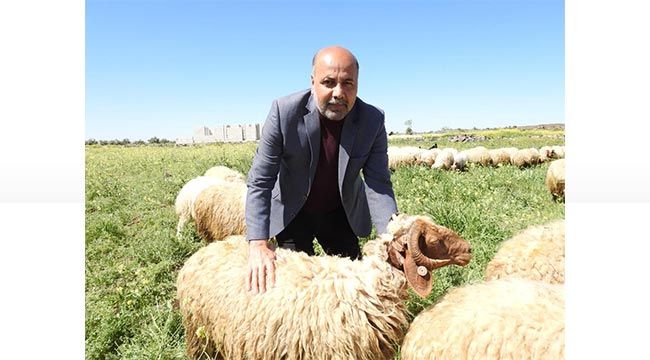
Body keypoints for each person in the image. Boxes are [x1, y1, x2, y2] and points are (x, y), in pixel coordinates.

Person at [245, 46, 398, 294]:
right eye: (328, 82)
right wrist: (257, 244)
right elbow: (261, 181)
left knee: (352, 289)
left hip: (340, 212)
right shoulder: (284, 112)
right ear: (313, 82)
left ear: (358, 84)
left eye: (348, 83)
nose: (338, 92)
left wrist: (392, 239)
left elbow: (378, 183)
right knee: (294, 289)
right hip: (293, 213)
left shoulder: (372, 120)